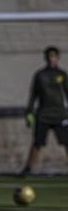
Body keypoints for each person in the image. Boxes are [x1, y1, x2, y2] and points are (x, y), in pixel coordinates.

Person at [19, 46, 68, 176]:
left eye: (53, 56)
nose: (51, 59)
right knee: (37, 142)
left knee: (67, 142)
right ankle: (28, 169)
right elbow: (33, 95)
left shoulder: (62, 75)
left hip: (60, 114)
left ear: (57, 58)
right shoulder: (40, 75)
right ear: (45, 58)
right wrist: (29, 112)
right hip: (43, 115)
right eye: (49, 56)